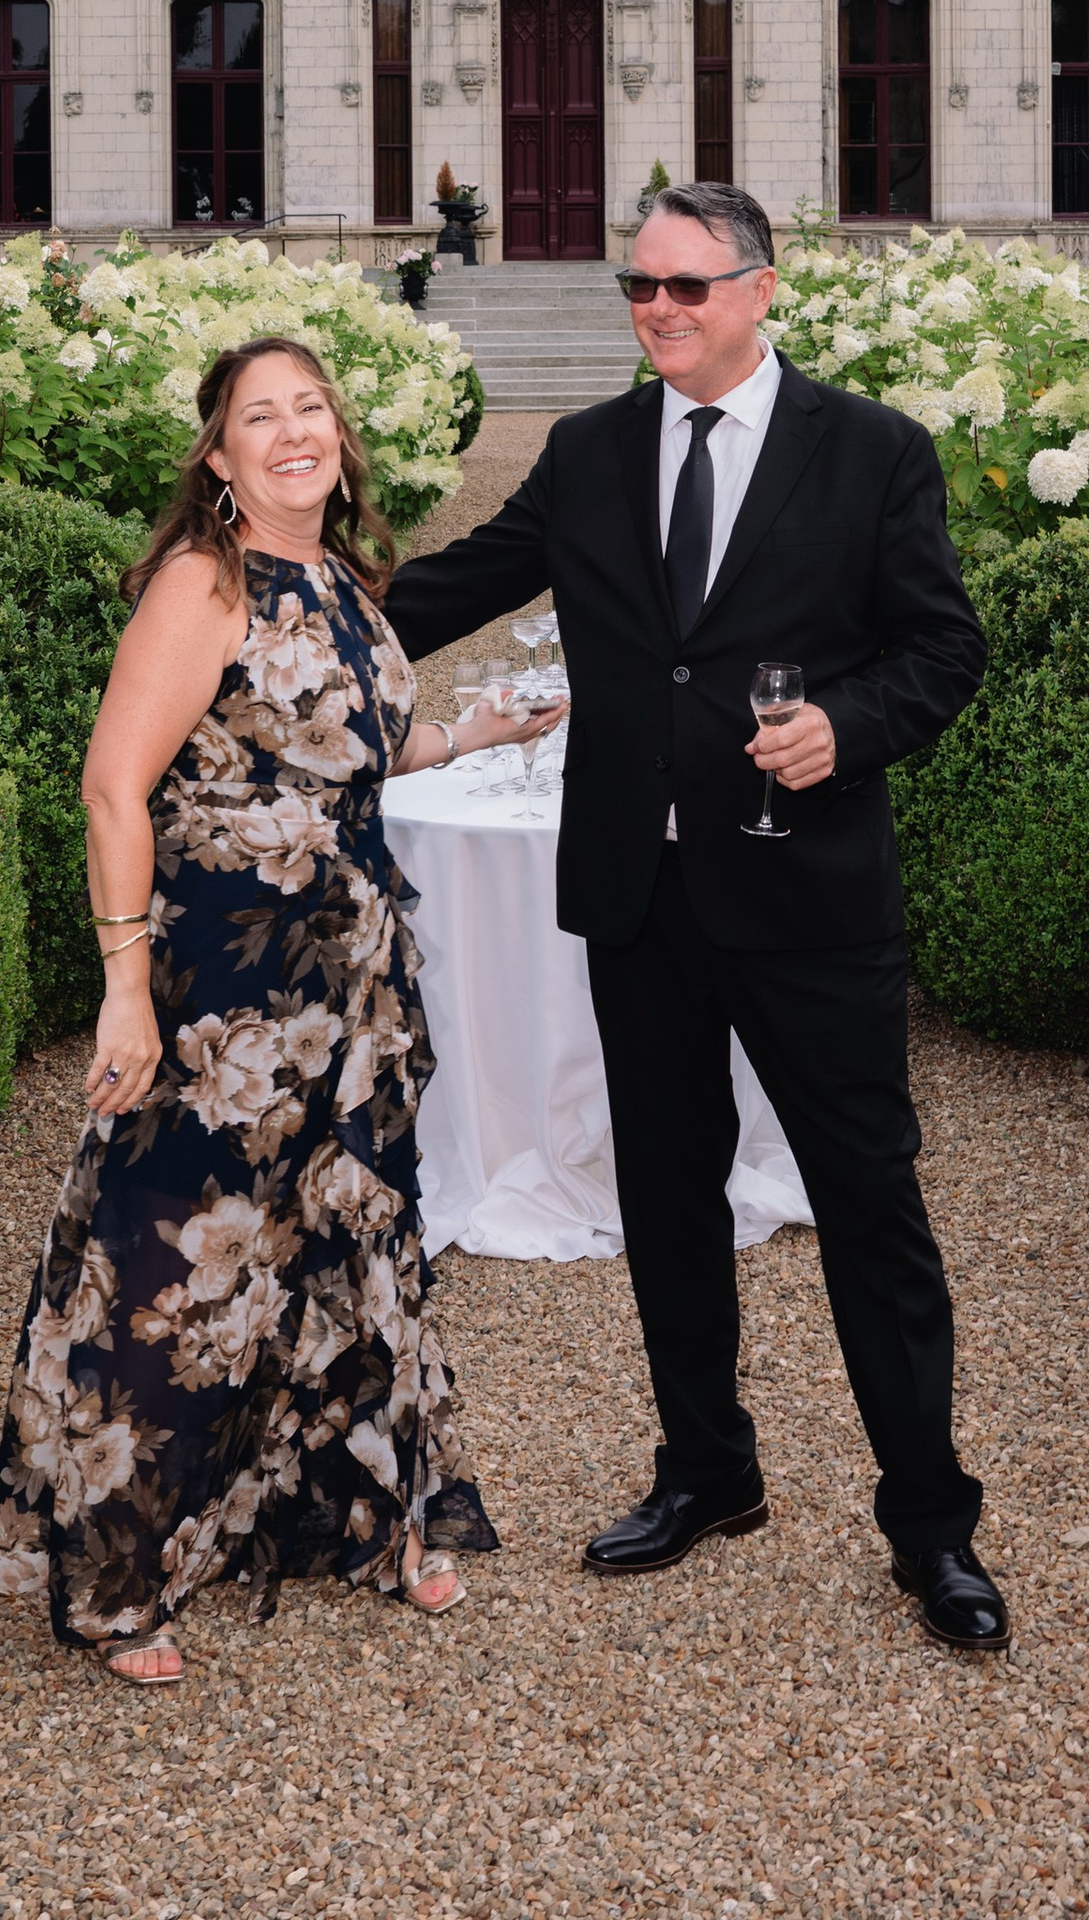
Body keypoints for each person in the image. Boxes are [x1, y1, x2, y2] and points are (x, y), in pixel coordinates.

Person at [383, 181, 1007, 1653]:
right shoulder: (591, 450)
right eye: (639, 289)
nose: (658, 310)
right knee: (665, 1197)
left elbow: (943, 647)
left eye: (686, 286)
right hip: (638, 891)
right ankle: (706, 1470)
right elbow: (456, 585)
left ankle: (933, 1528)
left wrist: (844, 727)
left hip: (811, 896)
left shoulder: (872, 452)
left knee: (872, 1208)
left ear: (761, 287)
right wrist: (256, 609)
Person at [0, 333, 556, 1683]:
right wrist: (124, 990)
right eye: (262, 415)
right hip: (225, 1000)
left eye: (312, 409)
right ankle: (122, 1579)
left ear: (341, 437)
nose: (295, 430)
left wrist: (479, 731)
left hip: (348, 980)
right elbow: (113, 783)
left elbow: (352, 746)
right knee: (191, 1258)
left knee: (349, 1242)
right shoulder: (205, 579)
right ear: (218, 453)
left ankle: (368, 1516)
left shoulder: (344, 581)